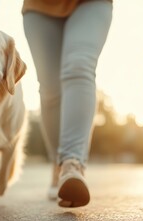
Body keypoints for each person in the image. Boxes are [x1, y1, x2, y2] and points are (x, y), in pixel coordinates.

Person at [22, 0, 113, 207]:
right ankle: (57, 164)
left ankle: (72, 164)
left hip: (91, 3)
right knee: (50, 89)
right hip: (39, 6)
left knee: (79, 67)